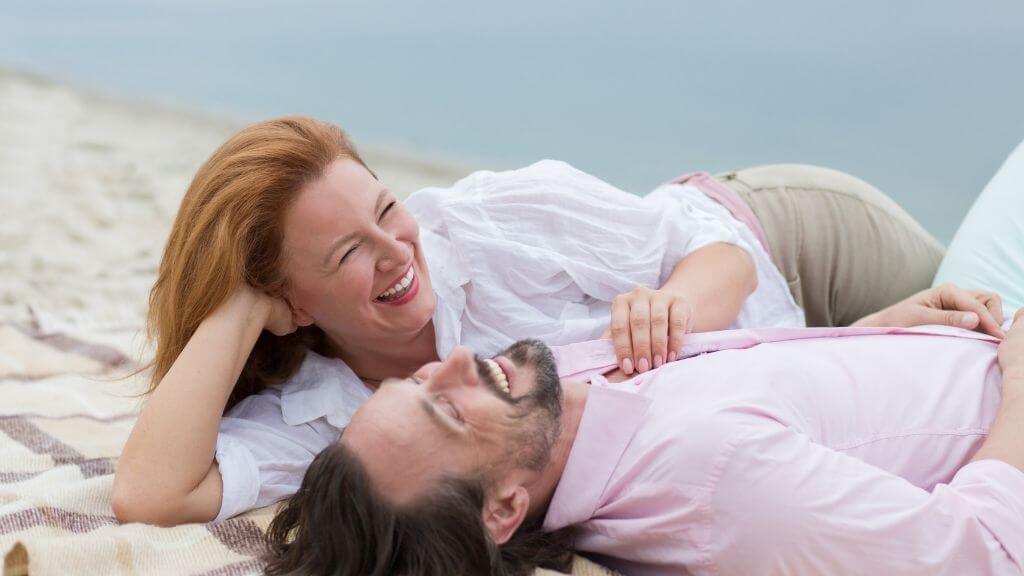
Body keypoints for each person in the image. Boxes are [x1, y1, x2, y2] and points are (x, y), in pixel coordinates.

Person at [112, 116, 946, 526]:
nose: (397, 251)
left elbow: (716, 248)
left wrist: (674, 315)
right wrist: (241, 300)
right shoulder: (335, 418)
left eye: (386, 209)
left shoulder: (496, 220)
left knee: (989, 310)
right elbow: (150, 493)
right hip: (807, 377)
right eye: (346, 256)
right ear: (293, 308)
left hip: (795, 243)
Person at [264, 283, 1022, 576]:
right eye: (451, 409)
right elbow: (981, 556)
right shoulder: (714, 486)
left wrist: (874, 337)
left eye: (420, 380)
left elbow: (788, 416)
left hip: (971, 336)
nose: (457, 358)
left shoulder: (556, 401)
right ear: (502, 508)